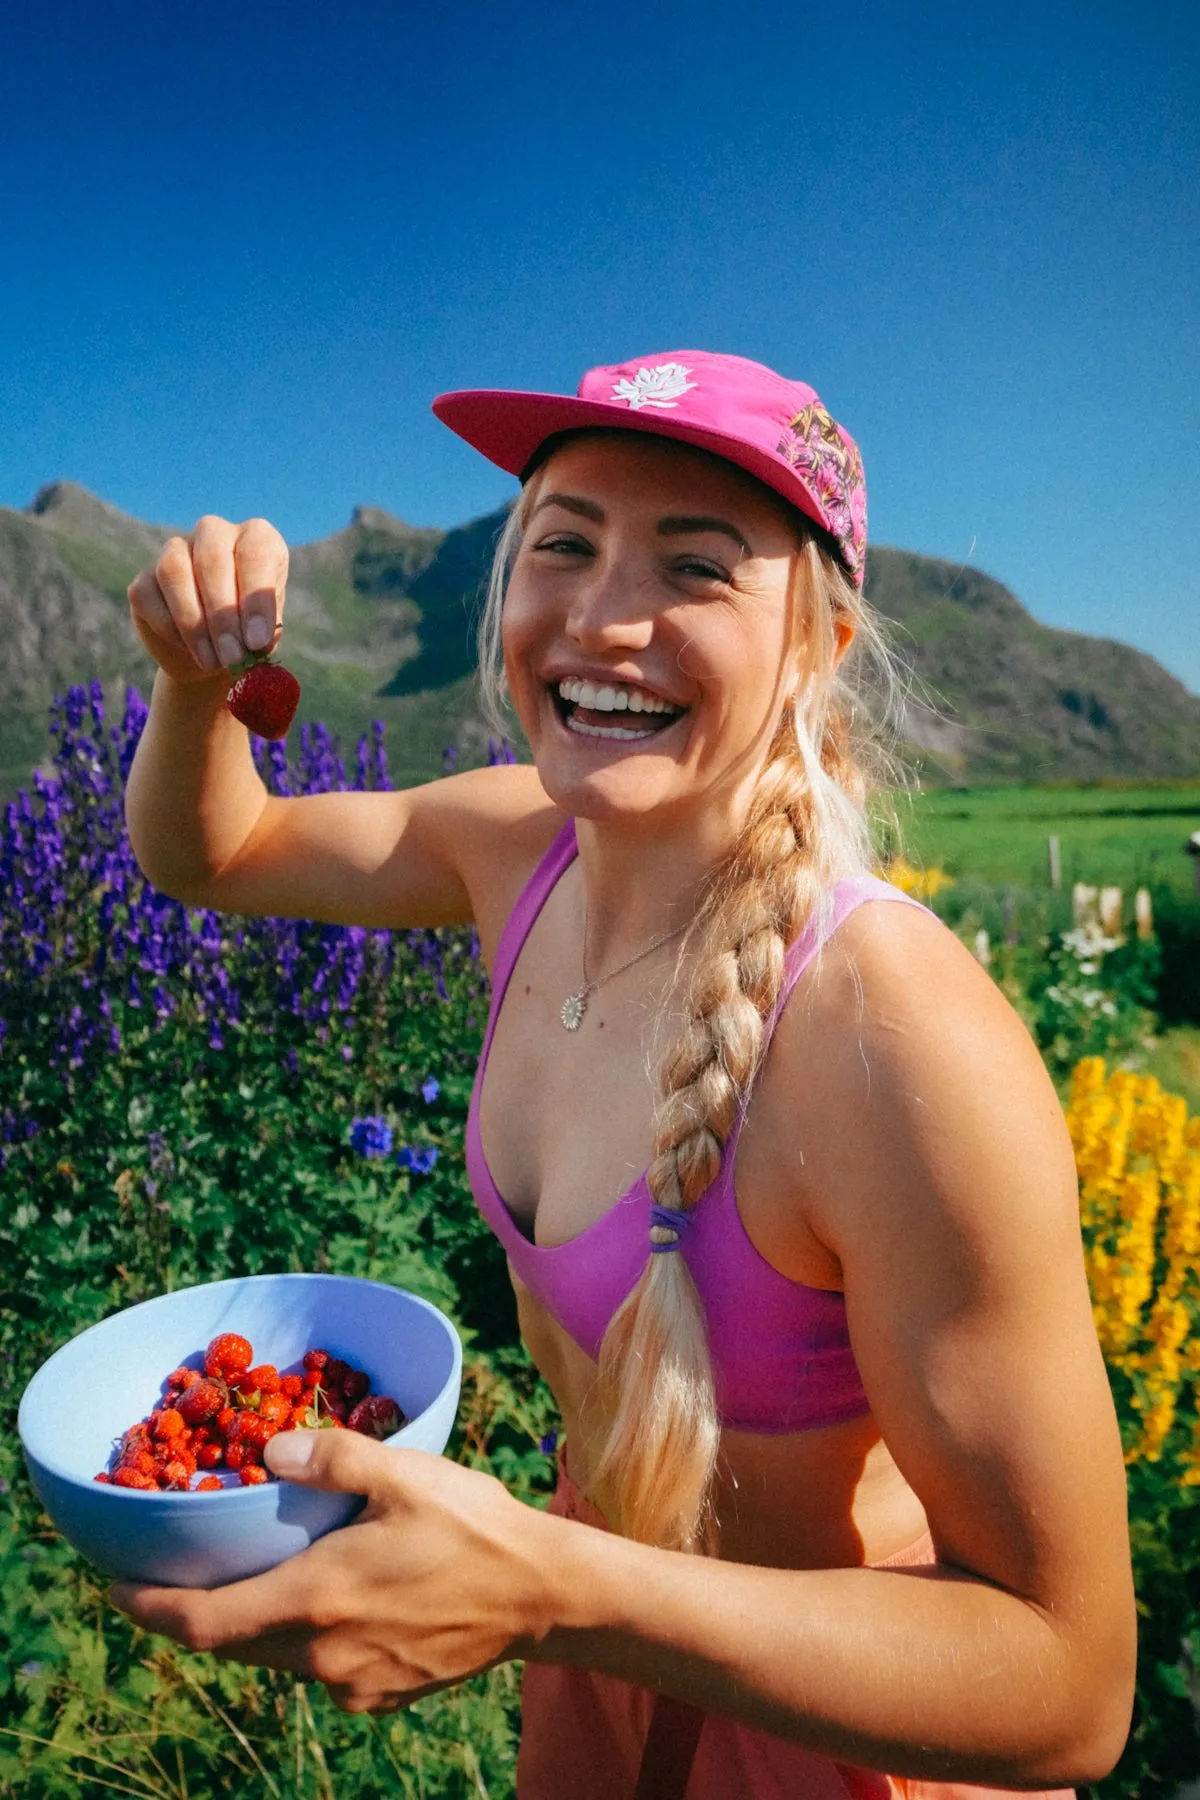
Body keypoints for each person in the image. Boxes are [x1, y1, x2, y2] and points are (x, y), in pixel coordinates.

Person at [116, 351, 1135, 1798]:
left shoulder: (893, 1037)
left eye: (698, 566)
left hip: (850, 1731)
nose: (603, 618)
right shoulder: (514, 850)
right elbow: (208, 853)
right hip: (596, 1664)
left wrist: (552, 1589)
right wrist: (189, 687)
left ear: (817, 644)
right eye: (565, 545)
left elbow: (1069, 1687)